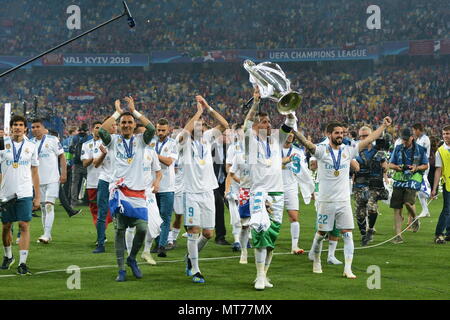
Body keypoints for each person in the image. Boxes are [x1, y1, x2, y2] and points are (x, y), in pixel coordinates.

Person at [292, 117, 392, 278]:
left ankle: (348, 269)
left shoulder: (348, 149)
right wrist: (294, 131)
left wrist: (383, 126)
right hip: (326, 200)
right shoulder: (322, 150)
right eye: (337, 133)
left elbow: (370, 139)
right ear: (328, 134)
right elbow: (308, 145)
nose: (340, 135)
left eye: (342, 133)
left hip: (343, 200)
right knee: (321, 233)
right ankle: (316, 259)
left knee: (347, 234)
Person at [243, 87, 297, 290]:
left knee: (272, 236)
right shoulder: (250, 141)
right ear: (257, 126)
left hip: (277, 192)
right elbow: (246, 125)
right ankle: (258, 276)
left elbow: (289, 123)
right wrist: (256, 103)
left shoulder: (276, 140)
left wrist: (288, 107)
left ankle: (264, 275)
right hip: (259, 193)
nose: (268, 124)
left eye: (268, 121)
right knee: (259, 231)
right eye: (263, 122)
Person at [99, 97, 156, 282]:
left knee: (142, 229)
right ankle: (121, 269)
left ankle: (132, 258)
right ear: (119, 124)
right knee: (119, 231)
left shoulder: (141, 140)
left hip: (138, 192)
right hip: (120, 193)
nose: (126, 125)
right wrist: (117, 111)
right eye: (123, 122)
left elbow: (152, 128)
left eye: (129, 122)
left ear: (134, 124)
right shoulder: (113, 140)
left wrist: (134, 110)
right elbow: (101, 129)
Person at [179, 95, 229, 284]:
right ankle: (195, 269)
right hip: (191, 192)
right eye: (196, 125)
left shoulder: (208, 139)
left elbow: (224, 124)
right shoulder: (184, 142)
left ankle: (190, 259)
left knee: (208, 234)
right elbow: (185, 131)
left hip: (208, 191)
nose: (199, 127)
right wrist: (198, 112)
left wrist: (208, 108)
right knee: (193, 230)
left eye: (202, 124)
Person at [1, 115, 40, 275]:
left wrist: (37, 195)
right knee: (6, 227)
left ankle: (23, 263)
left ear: (25, 128)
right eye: (15, 124)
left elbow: (35, 171)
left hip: (24, 191)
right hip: (5, 192)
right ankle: (8, 255)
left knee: (24, 225)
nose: (17, 127)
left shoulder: (31, 146)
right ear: (11, 128)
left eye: (20, 125)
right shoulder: (3, 144)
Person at [388, 128, 429, 243]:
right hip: (399, 178)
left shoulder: (420, 150)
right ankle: (398, 236)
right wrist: (396, 167)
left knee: (408, 202)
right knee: (397, 208)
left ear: (412, 137)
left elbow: (425, 165)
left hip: (414, 178)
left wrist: (416, 168)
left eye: (406, 139)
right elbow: (390, 164)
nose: (404, 142)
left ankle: (414, 218)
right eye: (403, 139)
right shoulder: (397, 148)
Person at [30, 119, 67, 244]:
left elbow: (62, 156)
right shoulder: (30, 143)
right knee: (43, 208)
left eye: (37, 126)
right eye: (33, 127)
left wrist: (64, 173)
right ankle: (47, 234)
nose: (35, 129)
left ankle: (46, 234)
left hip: (52, 179)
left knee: (49, 206)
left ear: (43, 128)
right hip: (38, 181)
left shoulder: (53, 140)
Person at [353, 126, 389, 246]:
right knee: (359, 212)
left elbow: (385, 165)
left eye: (366, 135)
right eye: (362, 136)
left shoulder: (378, 150)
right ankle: (364, 234)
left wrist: (384, 168)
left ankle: (370, 230)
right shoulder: (355, 150)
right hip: (359, 184)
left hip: (373, 185)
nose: (364, 138)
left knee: (371, 206)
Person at [149, 118, 178, 257]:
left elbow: (168, 162)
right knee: (154, 217)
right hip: (152, 185)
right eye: (158, 130)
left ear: (168, 130)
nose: (160, 132)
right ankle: (157, 242)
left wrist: (153, 154)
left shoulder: (173, 144)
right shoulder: (150, 142)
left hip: (167, 186)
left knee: (165, 217)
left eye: (163, 130)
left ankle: (161, 245)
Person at [91, 118, 117, 253]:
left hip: (119, 182)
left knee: (121, 213)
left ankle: (122, 242)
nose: (115, 127)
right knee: (102, 212)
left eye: (115, 125)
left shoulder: (121, 141)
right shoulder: (99, 143)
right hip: (105, 180)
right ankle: (100, 243)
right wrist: (103, 153)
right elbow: (96, 163)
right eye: (112, 125)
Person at [281, 132, 306, 254]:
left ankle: (295, 246)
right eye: (288, 133)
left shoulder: (298, 151)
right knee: (271, 218)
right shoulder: (274, 148)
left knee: (294, 217)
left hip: (291, 186)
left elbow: (303, 171)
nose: (290, 135)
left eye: (292, 133)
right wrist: (286, 160)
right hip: (275, 186)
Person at [81, 122, 105, 240]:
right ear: (92, 130)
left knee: (106, 209)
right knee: (95, 210)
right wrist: (94, 158)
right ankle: (101, 235)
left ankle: (102, 232)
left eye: (101, 128)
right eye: (96, 127)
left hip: (106, 181)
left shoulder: (107, 143)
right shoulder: (86, 145)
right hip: (92, 182)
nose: (98, 130)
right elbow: (84, 163)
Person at [431, 125, 450, 244]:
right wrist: (434, 188)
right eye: (444, 134)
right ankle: (438, 234)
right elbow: (438, 170)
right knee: (447, 209)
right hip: (447, 183)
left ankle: (449, 233)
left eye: (448, 133)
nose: (446, 136)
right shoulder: (440, 151)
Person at [212, 131, 231, 246]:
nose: (226, 137)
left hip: (225, 180)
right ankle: (220, 236)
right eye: (224, 135)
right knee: (219, 207)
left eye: (227, 135)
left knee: (234, 207)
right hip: (213, 182)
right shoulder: (211, 148)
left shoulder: (228, 148)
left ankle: (241, 234)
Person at [413, 123, 432, 218]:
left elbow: (422, 153)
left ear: (418, 130)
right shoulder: (419, 139)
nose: (413, 132)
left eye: (414, 130)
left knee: (421, 187)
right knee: (420, 188)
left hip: (424, 164)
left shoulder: (425, 139)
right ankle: (426, 211)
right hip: (419, 165)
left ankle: (430, 192)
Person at [69, 123, 91, 206]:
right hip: (86, 163)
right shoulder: (89, 138)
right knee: (89, 182)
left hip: (76, 163)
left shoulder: (75, 137)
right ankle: (87, 201)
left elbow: (70, 149)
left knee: (74, 183)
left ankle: (73, 202)